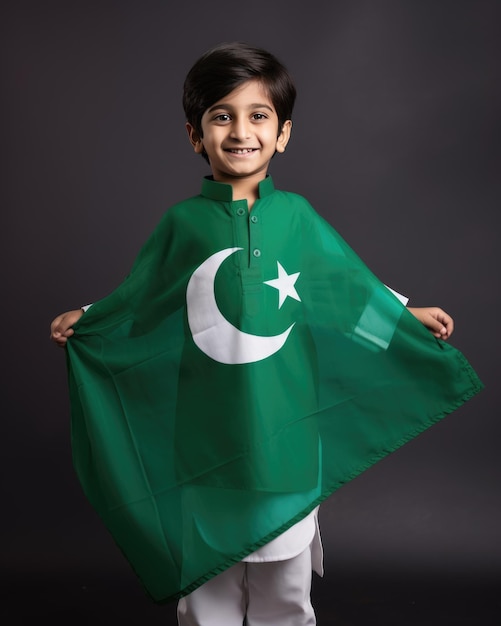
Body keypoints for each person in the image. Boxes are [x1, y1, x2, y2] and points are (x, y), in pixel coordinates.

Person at [50, 42, 482, 625]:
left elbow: (344, 293)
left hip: (287, 436)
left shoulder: (297, 217)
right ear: (194, 135)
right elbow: (143, 299)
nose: (240, 131)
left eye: (258, 116)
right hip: (207, 439)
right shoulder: (181, 224)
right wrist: (90, 318)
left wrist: (404, 317)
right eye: (221, 116)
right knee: (208, 590)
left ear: (282, 134)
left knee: (286, 582)